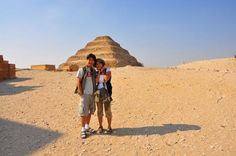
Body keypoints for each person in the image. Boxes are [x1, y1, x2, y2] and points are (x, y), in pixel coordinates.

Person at [76, 53, 97, 139]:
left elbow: (96, 80)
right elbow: (78, 80)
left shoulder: (93, 71)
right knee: (83, 112)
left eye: (92, 60)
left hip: (92, 94)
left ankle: (87, 127)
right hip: (84, 94)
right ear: (87, 60)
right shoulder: (82, 70)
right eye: (89, 59)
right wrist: (80, 91)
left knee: (90, 111)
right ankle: (82, 129)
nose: (91, 61)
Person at [95, 58, 113, 134]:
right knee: (99, 111)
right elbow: (96, 81)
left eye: (99, 63)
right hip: (97, 92)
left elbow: (106, 79)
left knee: (108, 110)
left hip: (106, 92)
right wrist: (99, 72)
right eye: (96, 64)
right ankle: (100, 126)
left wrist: (102, 71)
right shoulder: (95, 72)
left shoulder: (107, 70)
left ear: (102, 64)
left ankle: (109, 127)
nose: (97, 65)